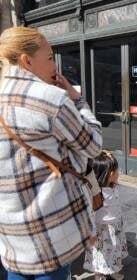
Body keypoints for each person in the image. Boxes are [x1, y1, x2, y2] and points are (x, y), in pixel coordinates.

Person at [0, 27, 102, 279]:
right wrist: (77, 100)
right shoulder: (51, 98)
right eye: (48, 57)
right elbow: (93, 145)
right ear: (26, 60)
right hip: (51, 233)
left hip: (12, 235)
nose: (54, 65)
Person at [83, 151, 128, 280]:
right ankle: (99, 273)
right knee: (100, 252)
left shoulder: (114, 187)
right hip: (101, 229)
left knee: (114, 250)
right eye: (116, 170)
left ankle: (113, 269)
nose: (118, 173)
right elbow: (91, 213)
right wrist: (91, 232)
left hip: (115, 226)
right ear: (109, 174)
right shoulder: (97, 194)